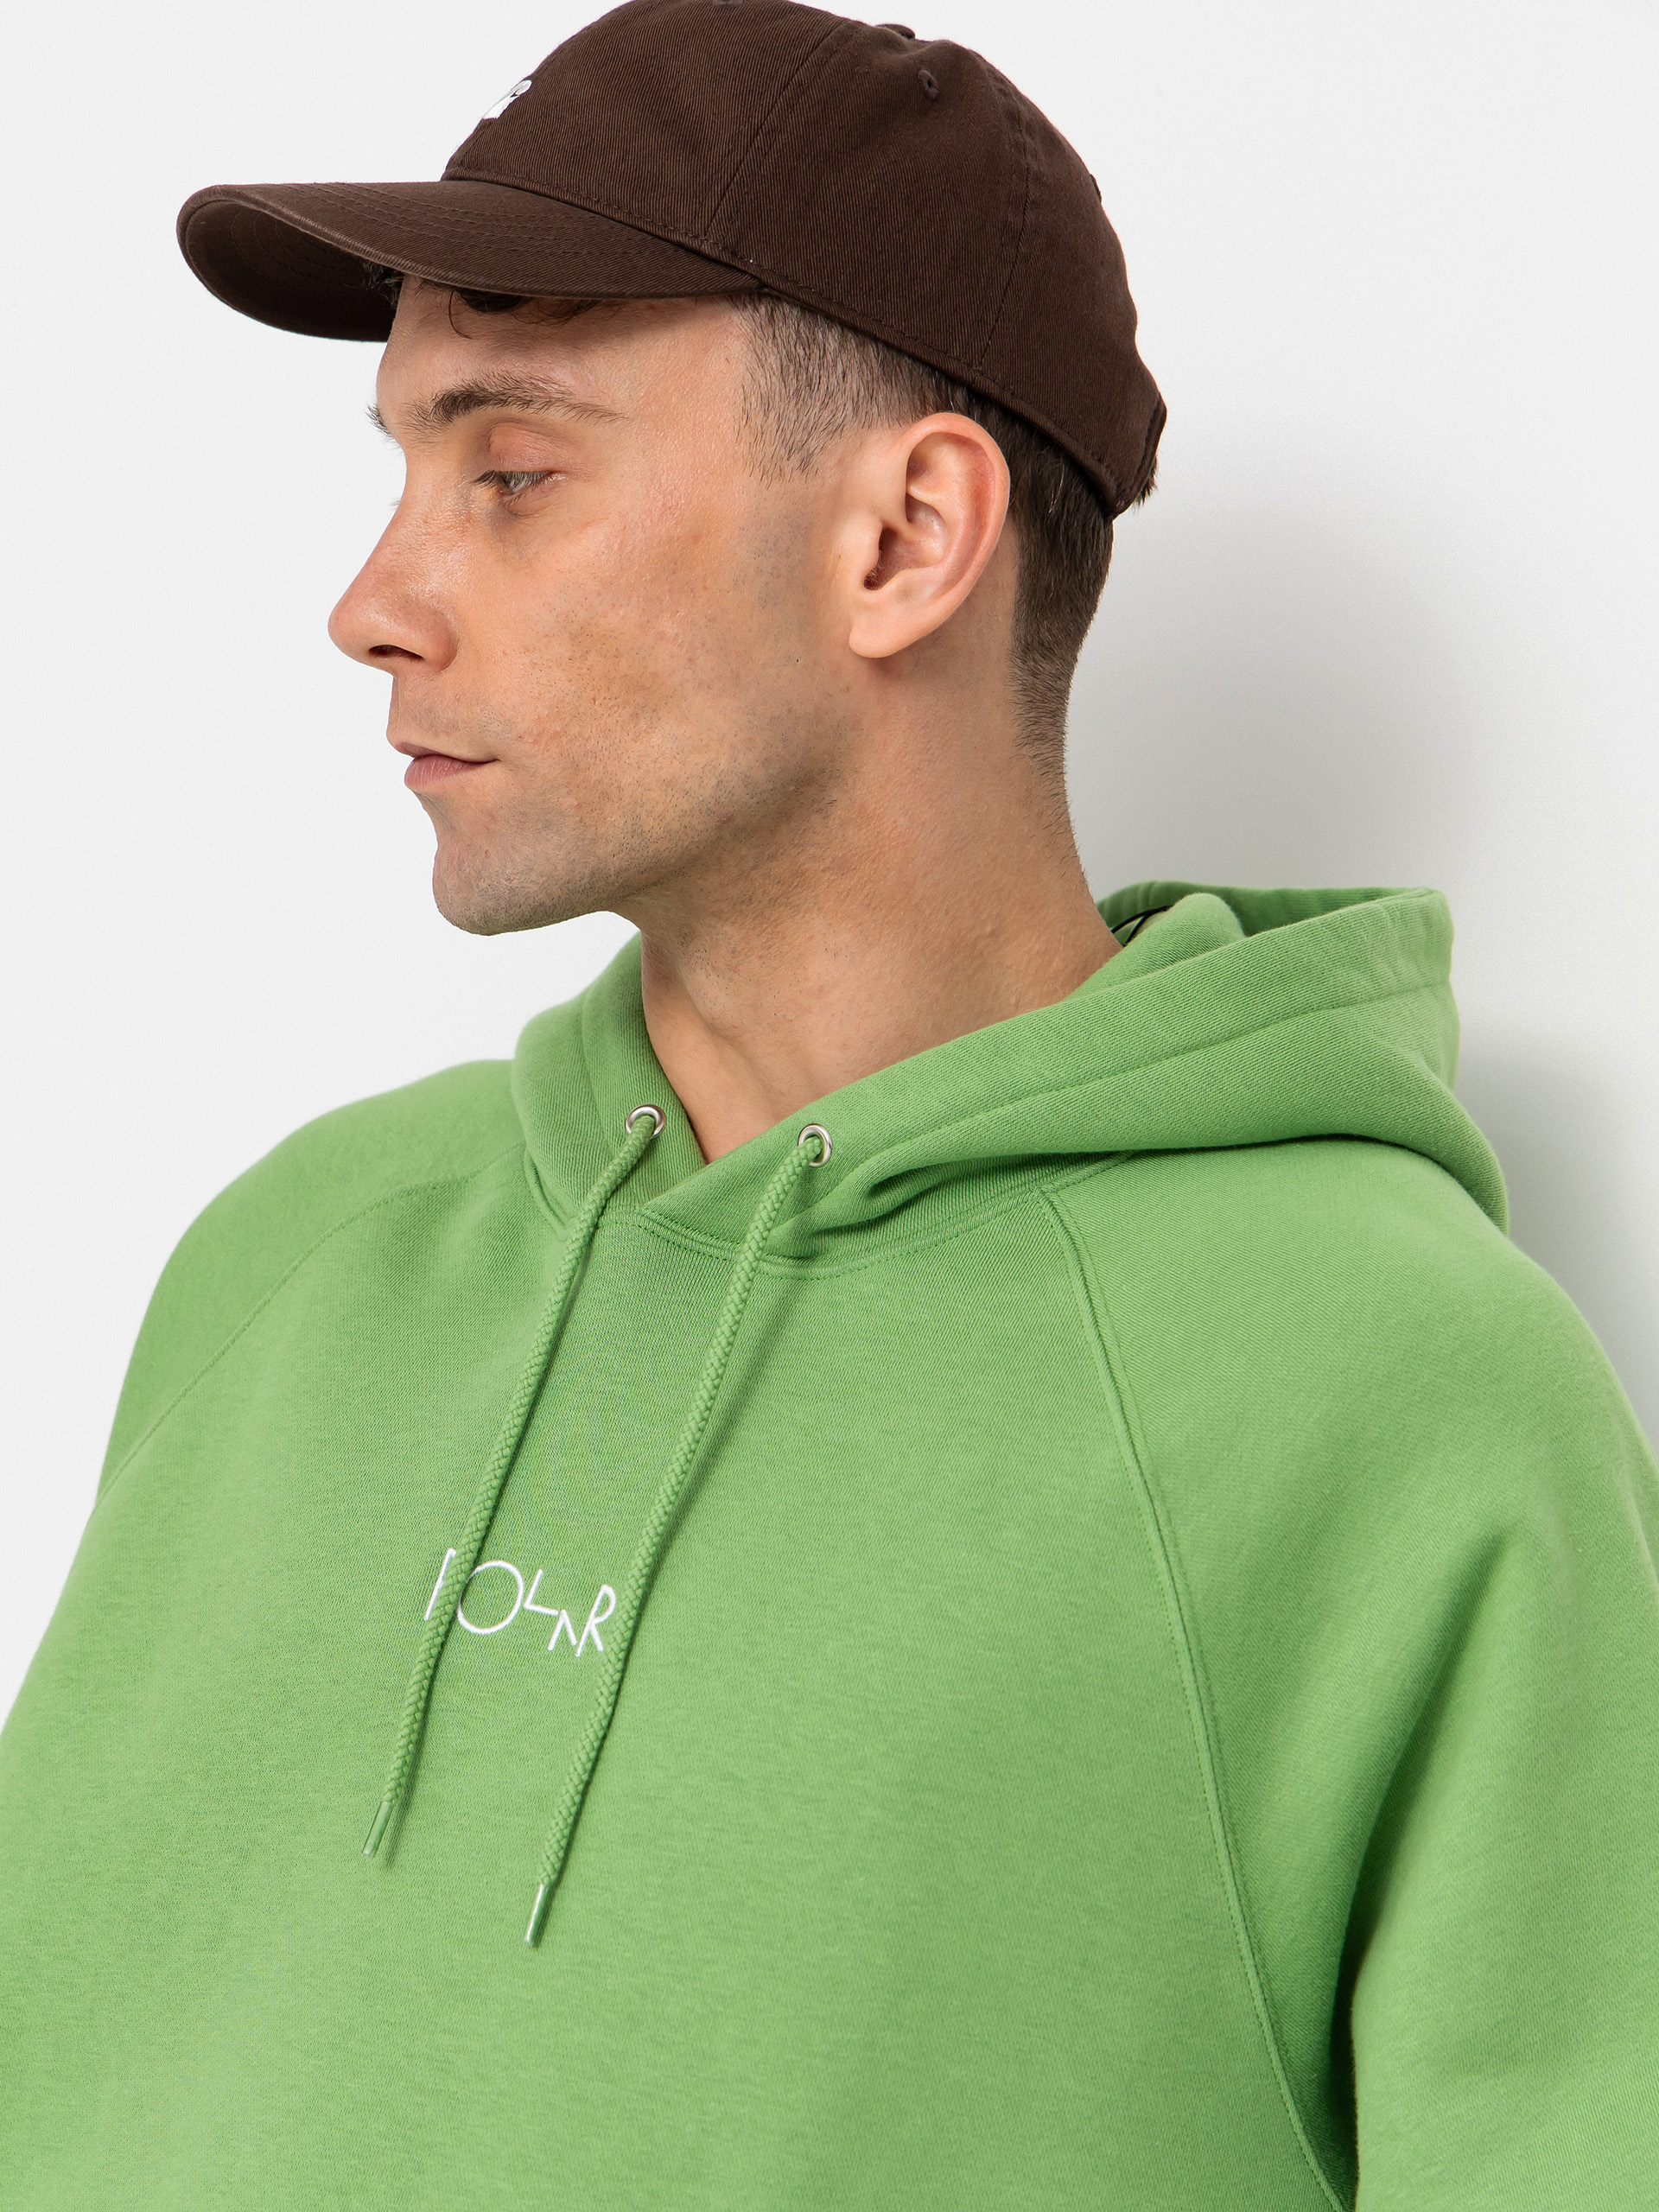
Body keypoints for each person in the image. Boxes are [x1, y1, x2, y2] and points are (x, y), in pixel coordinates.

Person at [2, 0, 1655, 2203]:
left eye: (512, 472)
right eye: (395, 470)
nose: (371, 603)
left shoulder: (1402, 1395)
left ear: (903, 539)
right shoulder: (292, 1257)